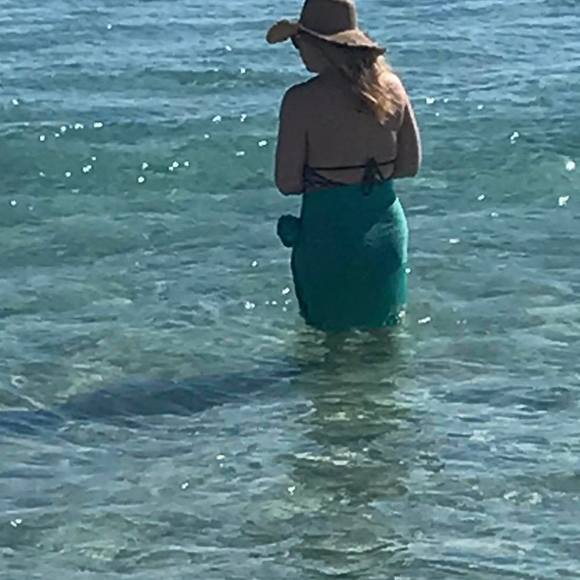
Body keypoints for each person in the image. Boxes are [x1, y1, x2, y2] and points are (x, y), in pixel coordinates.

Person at [268, 0, 421, 332]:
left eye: (298, 42)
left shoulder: (300, 100)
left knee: (326, 341)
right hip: (386, 230)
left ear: (321, 45)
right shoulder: (392, 88)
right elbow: (410, 165)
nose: (297, 51)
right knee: (385, 336)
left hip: (327, 234)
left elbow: (287, 183)